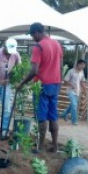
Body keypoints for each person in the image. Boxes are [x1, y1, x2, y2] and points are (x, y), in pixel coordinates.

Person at [17, 22, 63, 152]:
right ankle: (55, 145)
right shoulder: (57, 44)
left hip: (42, 85)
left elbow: (34, 71)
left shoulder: (39, 46)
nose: (32, 38)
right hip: (55, 84)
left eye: (32, 35)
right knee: (53, 115)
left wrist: (21, 83)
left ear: (37, 32)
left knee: (42, 117)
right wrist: (59, 82)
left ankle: (41, 146)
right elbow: (60, 66)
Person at [60, 59, 87, 125]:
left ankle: (63, 114)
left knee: (72, 105)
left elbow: (82, 81)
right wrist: (71, 85)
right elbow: (65, 81)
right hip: (70, 90)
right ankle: (74, 121)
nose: (83, 66)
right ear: (78, 64)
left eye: (84, 65)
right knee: (74, 105)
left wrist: (85, 90)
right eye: (82, 65)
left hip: (77, 91)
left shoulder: (82, 72)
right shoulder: (71, 71)